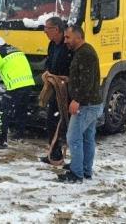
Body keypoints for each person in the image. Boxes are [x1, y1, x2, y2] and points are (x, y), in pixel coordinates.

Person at [57, 25, 103, 183]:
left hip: (86, 104)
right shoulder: (82, 52)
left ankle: (76, 175)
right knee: (87, 138)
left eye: (68, 37)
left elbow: (87, 81)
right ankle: (85, 170)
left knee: (73, 138)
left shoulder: (85, 54)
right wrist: (69, 80)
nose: (65, 41)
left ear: (78, 37)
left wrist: (77, 100)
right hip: (92, 103)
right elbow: (83, 78)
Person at [0, 36, 36, 149]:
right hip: (28, 84)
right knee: (21, 109)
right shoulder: (17, 50)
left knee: (3, 110)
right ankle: (19, 133)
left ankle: (1, 140)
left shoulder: (0, 54)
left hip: (15, 86)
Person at [40, 17, 73, 165]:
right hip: (54, 86)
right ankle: (54, 153)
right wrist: (47, 72)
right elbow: (49, 60)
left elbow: (73, 67)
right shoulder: (52, 44)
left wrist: (66, 79)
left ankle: (61, 154)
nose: (45, 31)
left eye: (47, 28)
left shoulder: (68, 46)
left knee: (62, 122)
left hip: (66, 89)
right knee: (51, 121)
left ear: (57, 30)